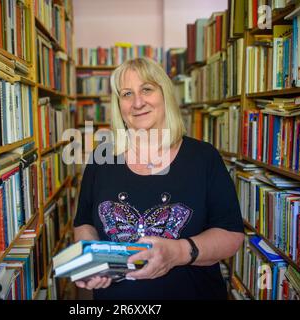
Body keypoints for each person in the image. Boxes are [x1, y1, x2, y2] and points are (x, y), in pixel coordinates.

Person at [73, 57, 244, 300]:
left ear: (165, 95)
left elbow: (231, 234)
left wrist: (178, 252)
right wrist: (92, 259)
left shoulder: (203, 157)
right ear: (118, 105)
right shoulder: (102, 158)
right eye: (127, 94)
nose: (138, 102)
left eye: (147, 89)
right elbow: (84, 223)